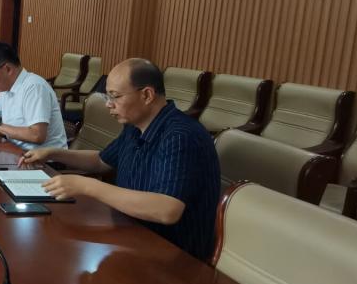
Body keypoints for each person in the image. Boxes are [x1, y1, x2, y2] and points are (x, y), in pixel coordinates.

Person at [21, 58, 221, 261]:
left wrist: (86, 186)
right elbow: (101, 161)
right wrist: (53, 153)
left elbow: (167, 210)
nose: (109, 104)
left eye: (115, 96)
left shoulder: (181, 136)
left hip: (173, 255)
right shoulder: (136, 126)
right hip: (131, 232)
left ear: (147, 95)